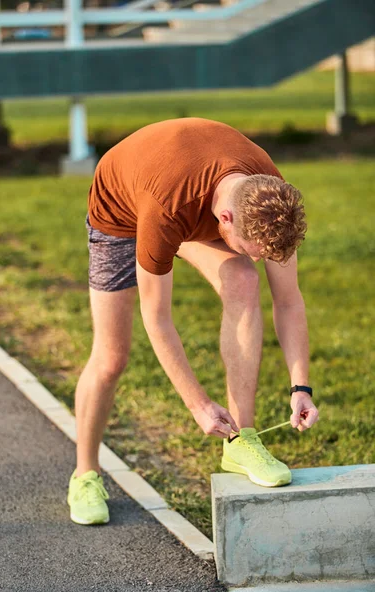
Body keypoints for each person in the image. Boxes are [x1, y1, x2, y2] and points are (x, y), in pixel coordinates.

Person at [67, 117, 319, 525]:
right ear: (225, 220)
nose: (256, 256)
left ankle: (242, 441)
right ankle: (85, 473)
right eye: (251, 249)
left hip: (187, 197)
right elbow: (157, 317)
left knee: (241, 279)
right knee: (111, 357)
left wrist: (300, 386)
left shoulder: (270, 200)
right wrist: (198, 404)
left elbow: (289, 302)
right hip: (123, 210)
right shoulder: (168, 208)